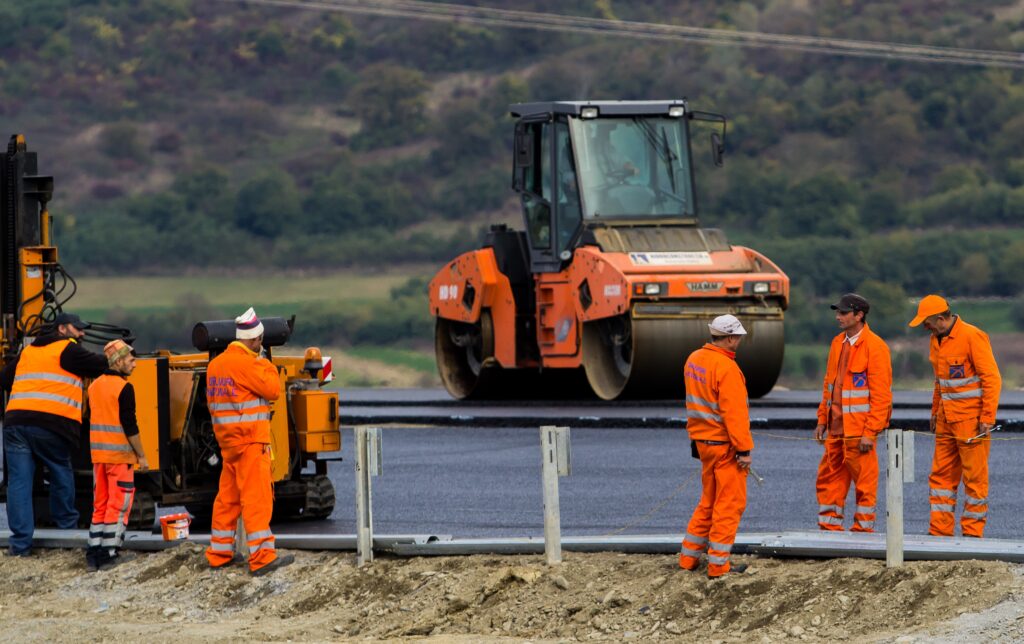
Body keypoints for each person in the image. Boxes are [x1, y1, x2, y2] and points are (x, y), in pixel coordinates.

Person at [0, 312, 108, 556]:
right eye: (77, 329)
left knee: (19, 482)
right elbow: (102, 364)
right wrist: (123, 354)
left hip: (15, 423)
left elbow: (5, 379)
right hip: (50, 425)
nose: (82, 333)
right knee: (60, 471)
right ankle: (67, 533)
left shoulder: (28, 351)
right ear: (62, 329)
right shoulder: (68, 350)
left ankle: (20, 545)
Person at [204, 307, 294, 575]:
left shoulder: (216, 365)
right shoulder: (250, 364)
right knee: (257, 500)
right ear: (255, 340)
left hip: (228, 444)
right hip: (251, 442)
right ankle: (262, 557)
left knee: (227, 500)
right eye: (260, 341)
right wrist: (265, 362)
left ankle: (219, 554)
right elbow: (273, 390)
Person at [909, 294, 1001, 537]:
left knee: (974, 479)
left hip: (971, 423)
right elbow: (940, 381)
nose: (925, 327)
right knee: (940, 478)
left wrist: (987, 417)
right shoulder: (935, 340)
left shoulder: (972, 336)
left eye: (927, 323)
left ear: (941, 319)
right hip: (945, 421)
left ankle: (972, 534)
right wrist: (934, 411)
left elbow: (992, 379)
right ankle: (939, 532)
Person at [678, 314, 753, 579]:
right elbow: (734, 414)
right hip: (724, 447)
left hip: (702, 442)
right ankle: (719, 565)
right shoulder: (726, 368)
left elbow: (695, 403)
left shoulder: (694, 359)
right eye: (738, 337)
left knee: (708, 501)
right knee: (729, 504)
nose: (739, 341)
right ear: (730, 338)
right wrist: (744, 450)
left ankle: (688, 558)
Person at [814, 294, 892, 532]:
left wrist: (870, 432)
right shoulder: (837, 343)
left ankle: (862, 530)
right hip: (836, 429)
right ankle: (829, 528)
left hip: (859, 432)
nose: (838, 317)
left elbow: (881, 397)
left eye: (843, 313)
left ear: (859, 316)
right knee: (829, 480)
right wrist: (822, 420)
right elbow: (829, 385)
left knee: (865, 484)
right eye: (837, 312)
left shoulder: (875, 347)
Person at [86, 339, 150, 572]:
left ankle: (94, 552)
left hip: (99, 457)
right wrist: (141, 455)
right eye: (131, 360)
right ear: (118, 361)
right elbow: (130, 426)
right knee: (119, 505)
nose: (134, 364)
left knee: (100, 504)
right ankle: (109, 553)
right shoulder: (124, 388)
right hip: (119, 458)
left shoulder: (94, 386)